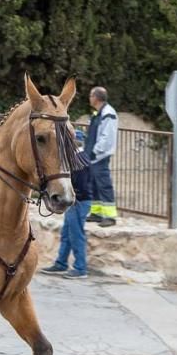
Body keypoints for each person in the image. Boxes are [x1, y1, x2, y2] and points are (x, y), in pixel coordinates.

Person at [41, 149, 94, 278]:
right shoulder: (82, 158)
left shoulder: (78, 161)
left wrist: (70, 198)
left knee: (76, 235)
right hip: (79, 202)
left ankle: (80, 268)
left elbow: (78, 185)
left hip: (78, 202)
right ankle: (61, 263)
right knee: (67, 233)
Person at [83, 86, 119, 227]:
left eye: (91, 96)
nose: (89, 98)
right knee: (93, 184)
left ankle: (110, 217)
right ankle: (96, 213)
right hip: (92, 156)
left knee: (104, 185)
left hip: (99, 157)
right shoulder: (98, 113)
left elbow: (107, 137)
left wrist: (95, 151)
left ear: (96, 98)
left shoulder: (108, 113)